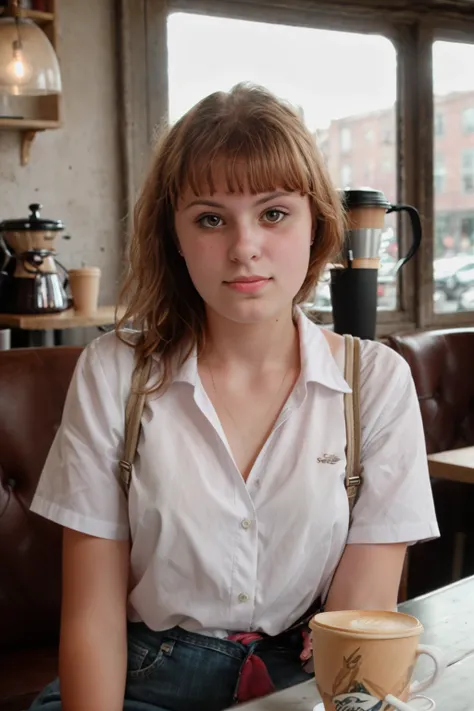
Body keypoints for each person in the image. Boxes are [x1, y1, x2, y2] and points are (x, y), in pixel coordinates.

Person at [29, 84, 439, 711]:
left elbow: (355, 627)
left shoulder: (376, 382)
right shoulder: (114, 373)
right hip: (140, 682)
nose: (244, 246)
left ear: (316, 225)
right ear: (176, 235)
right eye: (211, 218)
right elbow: (92, 620)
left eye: (273, 213)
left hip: (299, 683)